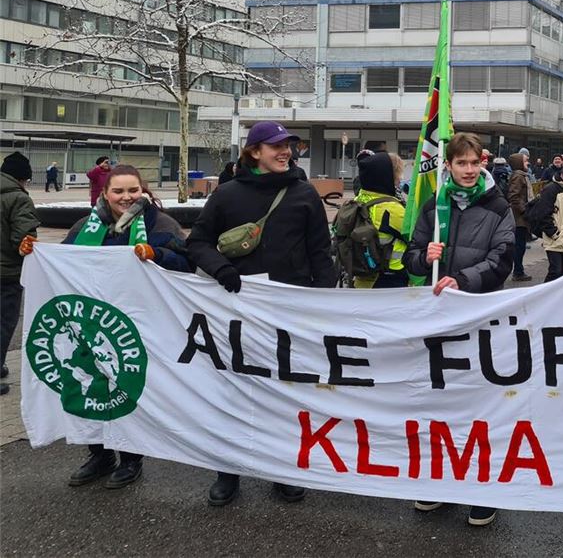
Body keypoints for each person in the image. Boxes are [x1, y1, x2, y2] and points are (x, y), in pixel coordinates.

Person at [188, 120, 334, 506]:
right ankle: (227, 471)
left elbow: (321, 253)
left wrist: (323, 303)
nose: (286, 152)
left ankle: (282, 469)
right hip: (237, 312)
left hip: (289, 312)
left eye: (288, 146)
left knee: (284, 392)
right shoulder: (227, 195)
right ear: (254, 152)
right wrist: (221, 269)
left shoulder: (304, 193)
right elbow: (198, 243)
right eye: (276, 146)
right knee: (233, 390)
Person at [56, 164, 191, 488]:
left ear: (143, 191)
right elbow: (60, 263)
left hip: (139, 324)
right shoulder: (83, 227)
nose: (126, 197)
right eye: (118, 191)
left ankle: (131, 458)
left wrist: (157, 254)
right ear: (105, 193)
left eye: (133, 190)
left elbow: (188, 265)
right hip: (91, 325)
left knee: (127, 390)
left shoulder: (162, 225)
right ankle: (99, 454)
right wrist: (34, 253)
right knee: (91, 387)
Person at [403, 132, 513, 527]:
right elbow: (409, 256)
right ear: (447, 165)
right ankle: (440, 482)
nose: (468, 170)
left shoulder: (499, 207)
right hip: (439, 321)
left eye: (474, 163)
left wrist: (463, 280)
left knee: (480, 407)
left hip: (479, 318)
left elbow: (503, 260)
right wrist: (423, 257)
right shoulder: (435, 204)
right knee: (440, 404)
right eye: (460, 163)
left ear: (482, 162)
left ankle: (483, 489)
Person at [1, 152, 39, 397]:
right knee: (3, 323)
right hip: (6, 273)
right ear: (21, 178)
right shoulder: (18, 198)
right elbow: (23, 239)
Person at [349, 152, 408, 288]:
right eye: (397, 176)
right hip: (389, 279)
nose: (399, 180)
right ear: (387, 177)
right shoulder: (391, 208)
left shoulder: (358, 200)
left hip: (362, 280)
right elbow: (415, 234)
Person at [535, 161, 563, 282]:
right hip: (555, 239)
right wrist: (554, 233)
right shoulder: (550, 189)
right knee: (555, 271)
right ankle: (545, 292)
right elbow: (543, 214)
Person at [507, 152, 533, 281]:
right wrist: (524, 210)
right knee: (519, 246)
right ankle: (518, 271)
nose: (528, 163)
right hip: (519, 218)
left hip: (521, 217)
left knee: (520, 245)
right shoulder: (518, 176)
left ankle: (518, 270)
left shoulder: (522, 175)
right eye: (525, 161)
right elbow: (514, 196)